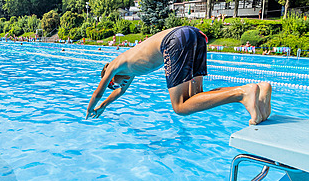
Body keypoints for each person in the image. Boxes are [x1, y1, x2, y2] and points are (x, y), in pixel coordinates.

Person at [86, 25, 272, 125]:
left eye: (114, 84)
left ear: (110, 77)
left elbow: (98, 92)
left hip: (174, 41)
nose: (118, 86)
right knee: (196, 97)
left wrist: (90, 108)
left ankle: (242, 94)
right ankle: (259, 89)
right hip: (193, 34)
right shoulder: (129, 73)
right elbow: (120, 92)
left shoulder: (116, 64)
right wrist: (103, 107)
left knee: (180, 107)